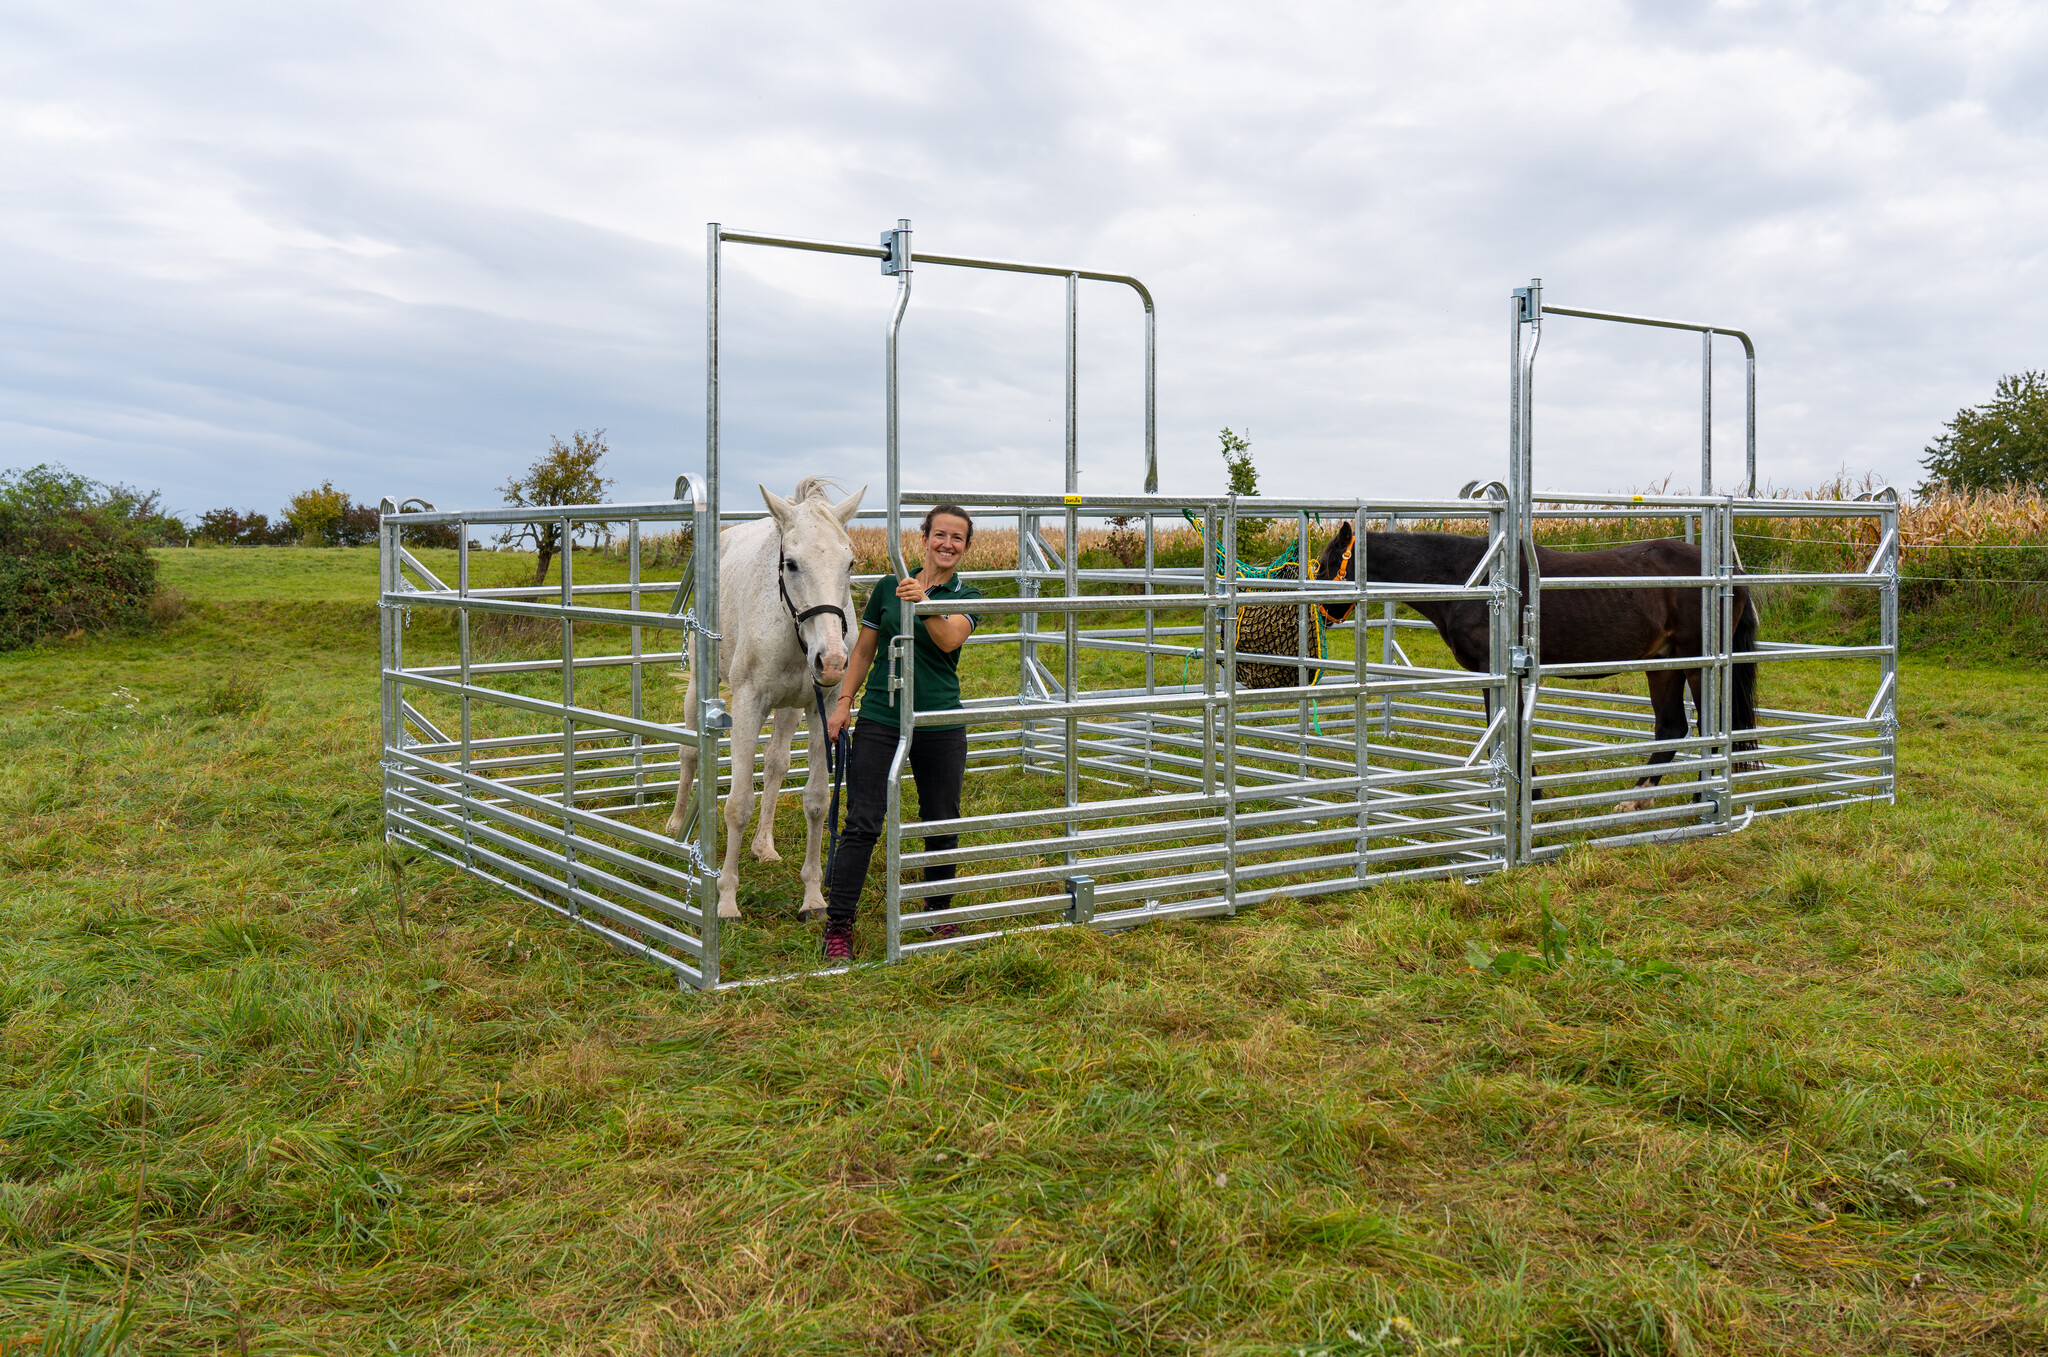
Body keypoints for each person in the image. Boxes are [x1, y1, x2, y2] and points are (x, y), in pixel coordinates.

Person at [820, 505, 982, 960]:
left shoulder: (967, 594)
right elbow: (864, 654)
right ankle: (839, 925)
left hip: (939, 720)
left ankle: (937, 912)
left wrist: (923, 604)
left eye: (957, 538)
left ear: (966, 548)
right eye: (940, 534)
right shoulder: (889, 587)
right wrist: (843, 705)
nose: (947, 544)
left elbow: (949, 639)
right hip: (882, 715)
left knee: (941, 819)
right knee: (863, 820)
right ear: (924, 537)